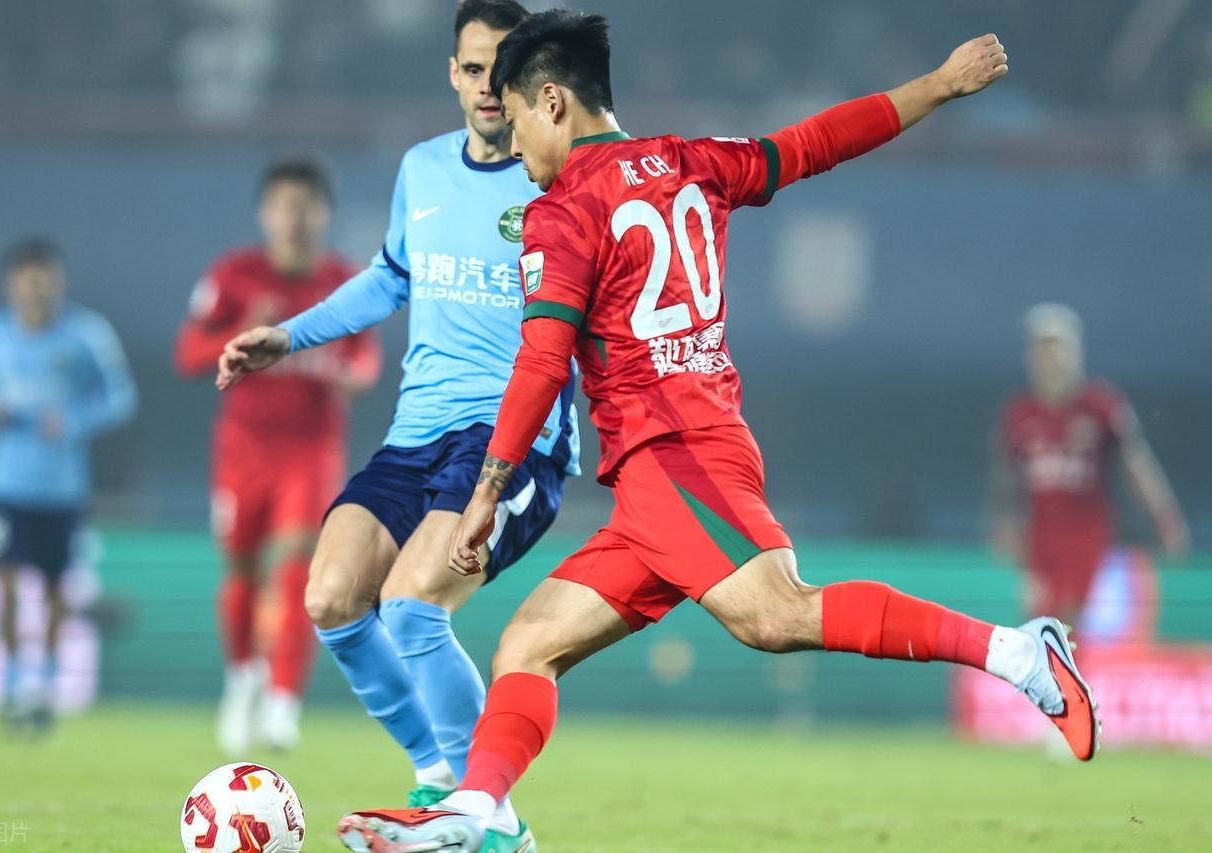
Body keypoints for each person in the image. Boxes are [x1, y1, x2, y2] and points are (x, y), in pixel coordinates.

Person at [334, 13, 1100, 852]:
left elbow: (544, 358)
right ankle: (479, 810)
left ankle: (1019, 654)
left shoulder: (564, 210)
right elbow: (816, 143)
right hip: (673, 460)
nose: (515, 147)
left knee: (775, 615)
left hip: (672, 455)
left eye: (515, 120)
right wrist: (940, 86)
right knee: (530, 643)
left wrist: (487, 491)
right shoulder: (694, 159)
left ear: (552, 102)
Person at [216, 2, 577, 848]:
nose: (487, 86)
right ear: (452, 72)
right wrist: (288, 335)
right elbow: (389, 277)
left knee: (412, 607)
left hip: (511, 443)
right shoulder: (422, 169)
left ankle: (491, 820)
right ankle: (441, 773)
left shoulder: (562, 177)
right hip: (417, 435)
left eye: (503, 70)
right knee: (331, 594)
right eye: (473, 67)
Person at [175, 158, 382, 754]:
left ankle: (283, 700)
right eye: (285, 206)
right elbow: (189, 355)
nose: (296, 218)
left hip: (310, 450)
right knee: (240, 571)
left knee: (297, 567)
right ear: (264, 213)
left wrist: (356, 376)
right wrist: (241, 328)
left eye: (307, 206)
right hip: (243, 448)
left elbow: (365, 357)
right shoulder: (234, 276)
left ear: (325, 214)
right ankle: (243, 679)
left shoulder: (344, 282)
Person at [0, 238, 137, 732]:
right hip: (4, 485)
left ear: (60, 282)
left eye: (45, 278)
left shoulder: (86, 335)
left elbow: (120, 396)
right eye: (27, 278)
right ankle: (15, 682)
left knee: (57, 589)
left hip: (62, 488)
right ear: (10, 284)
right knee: (5, 585)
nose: (36, 287)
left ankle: (48, 683)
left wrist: (75, 421)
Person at [990, 302, 1188, 624]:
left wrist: (1164, 518)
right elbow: (1006, 475)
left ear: (1076, 353)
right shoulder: (1019, 414)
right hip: (1041, 543)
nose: (1050, 359)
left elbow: (1136, 465)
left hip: (1091, 541)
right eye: (1041, 350)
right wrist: (1003, 522)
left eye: (1057, 348)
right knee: (1042, 626)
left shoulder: (1100, 407)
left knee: (1082, 625)